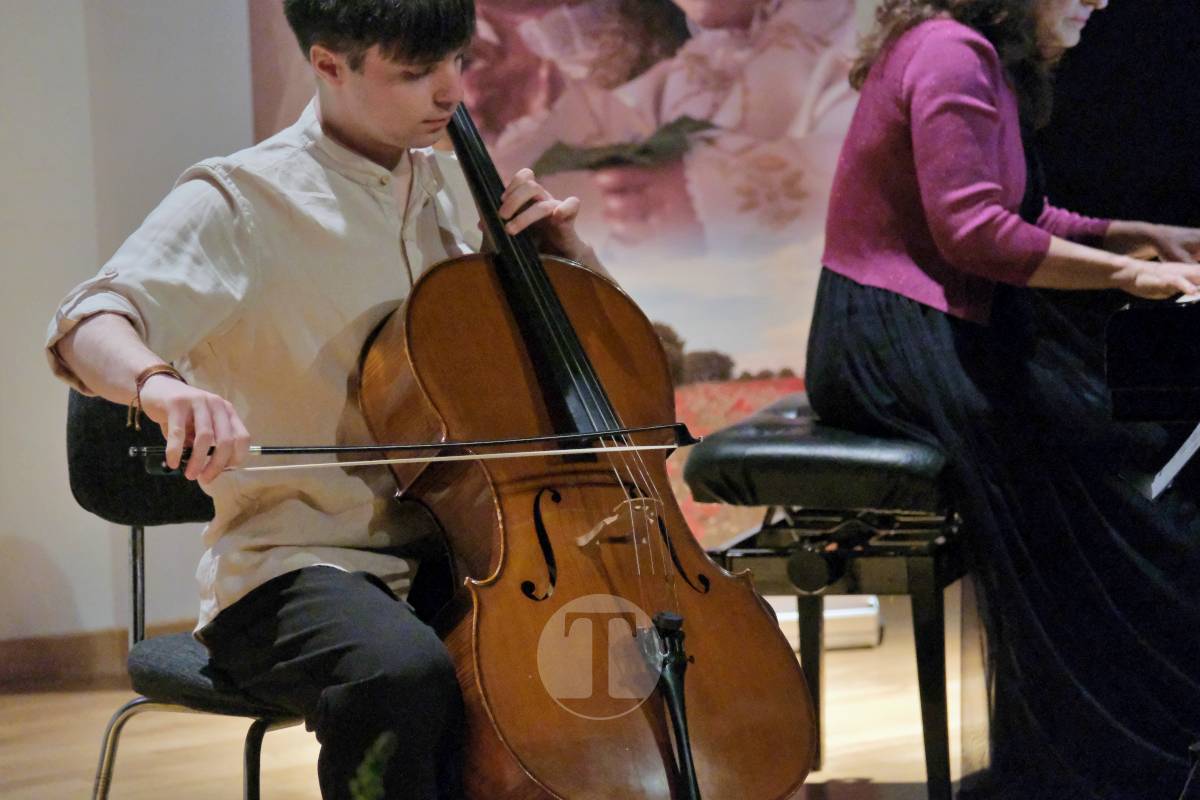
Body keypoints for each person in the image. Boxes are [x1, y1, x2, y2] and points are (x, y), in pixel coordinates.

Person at [44, 2, 603, 798]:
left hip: (467, 549)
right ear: (328, 63)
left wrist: (566, 263)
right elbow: (86, 322)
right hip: (294, 565)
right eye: (414, 73)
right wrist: (158, 384)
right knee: (400, 673)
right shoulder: (239, 201)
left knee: (577, 646)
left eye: (456, 62)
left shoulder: (456, 185)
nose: (449, 93)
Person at [805, 0, 1200, 796]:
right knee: (1094, 472)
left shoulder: (965, 51)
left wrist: (1135, 233)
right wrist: (1131, 275)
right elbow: (974, 233)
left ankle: (1125, 738)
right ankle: (1114, 755)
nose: (1099, 1)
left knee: (1115, 448)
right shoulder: (950, 52)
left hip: (922, 321)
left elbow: (1017, 214)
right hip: (889, 337)